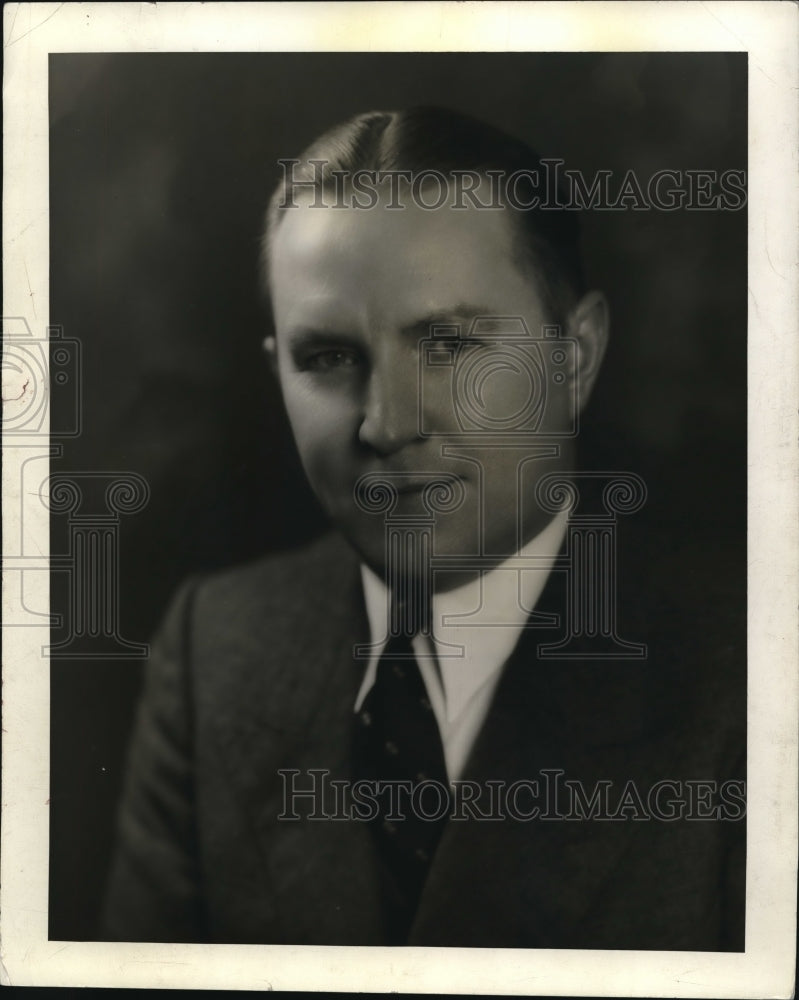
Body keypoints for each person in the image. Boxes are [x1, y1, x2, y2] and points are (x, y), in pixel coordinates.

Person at [102, 107, 745, 948]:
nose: (384, 423)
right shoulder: (214, 650)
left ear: (574, 357)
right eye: (328, 358)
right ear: (276, 373)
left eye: (446, 345)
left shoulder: (751, 674)